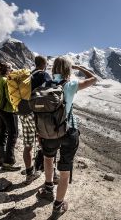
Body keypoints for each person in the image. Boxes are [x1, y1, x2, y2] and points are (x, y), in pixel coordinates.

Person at [36, 56, 97, 219]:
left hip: (48, 132)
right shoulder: (70, 85)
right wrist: (79, 67)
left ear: (53, 69)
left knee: (48, 159)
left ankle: (48, 189)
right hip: (69, 131)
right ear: (67, 70)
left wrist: (39, 132)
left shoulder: (45, 85)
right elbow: (94, 79)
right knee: (65, 169)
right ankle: (58, 205)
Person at [20, 55, 51, 184]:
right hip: (36, 114)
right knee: (45, 144)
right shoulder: (44, 75)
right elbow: (51, 93)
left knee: (28, 145)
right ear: (44, 64)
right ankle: (50, 176)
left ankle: (29, 174)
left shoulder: (27, 75)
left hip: (23, 113)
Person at [0, 61, 20, 170]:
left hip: (0, 109)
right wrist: (17, 108)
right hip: (8, 110)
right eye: (11, 69)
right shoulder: (6, 81)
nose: (12, 70)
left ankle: (1, 157)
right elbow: (10, 97)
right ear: (7, 70)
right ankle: (9, 161)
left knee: (3, 132)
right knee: (13, 133)